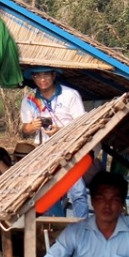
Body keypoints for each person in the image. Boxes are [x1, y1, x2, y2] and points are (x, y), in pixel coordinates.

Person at [20, 66, 89, 218]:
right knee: (48, 193)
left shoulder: (70, 95)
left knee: (77, 191)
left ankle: (83, 225)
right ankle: (56, 225)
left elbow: (82, 126)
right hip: (44, 152)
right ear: (33, 78)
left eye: (46, 75)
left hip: (69, 150)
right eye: (38, 76)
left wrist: (60, 130)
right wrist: (32, 126)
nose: (42, 79)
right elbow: (24, 130)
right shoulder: (30, 99)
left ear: (53, 75)